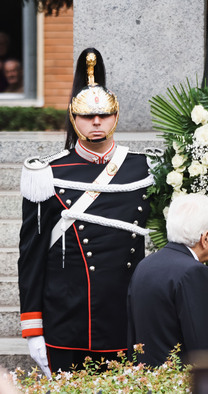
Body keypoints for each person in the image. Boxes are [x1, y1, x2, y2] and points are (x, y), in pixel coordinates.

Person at [18, 48, 156, 375]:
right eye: (87, 116)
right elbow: (31, 256)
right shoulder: (47, 173)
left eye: (104, 115)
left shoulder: (145, 167)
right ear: (73, 117)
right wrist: (33, 327)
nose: (96, 122)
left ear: (116, 115)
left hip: (126, 317)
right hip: (68, 320)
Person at [127, 194, 208, 367]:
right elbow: (206, 347)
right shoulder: (193, 272)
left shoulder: (144, 266)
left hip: (145, 382)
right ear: (205, 238)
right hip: (180, 383)